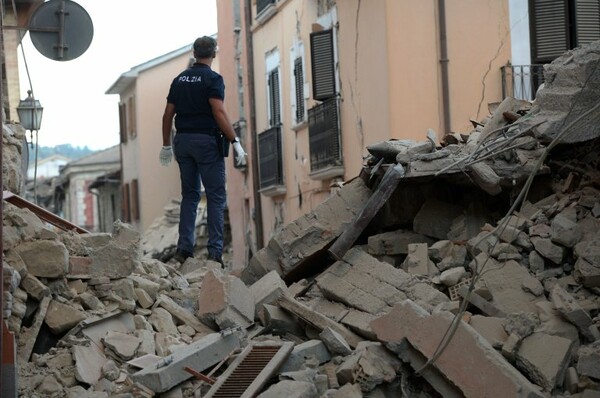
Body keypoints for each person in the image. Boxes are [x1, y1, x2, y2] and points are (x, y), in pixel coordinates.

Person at [159, 35, 247, 265]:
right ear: (214, 53)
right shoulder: (213, 79)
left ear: (193, 52)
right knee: (216, 197)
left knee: (190, 195)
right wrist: (234, 140)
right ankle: (215, 253)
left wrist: (166, 145)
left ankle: (184, 249)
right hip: (206, 143)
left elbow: (168, 114)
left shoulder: (179, 80)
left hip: (183, 142)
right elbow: (218, 111)